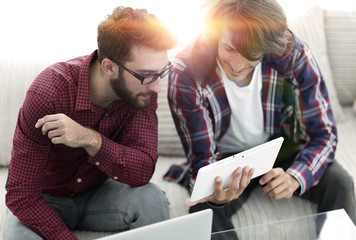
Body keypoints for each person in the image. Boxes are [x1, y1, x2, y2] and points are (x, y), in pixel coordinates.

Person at [164, 0, 356, 239]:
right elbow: (202, 158)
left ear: (266, 48)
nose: (236, 66)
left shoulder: (294, 55)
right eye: (229, 49)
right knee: (203, 210)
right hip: (224, 162)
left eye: (250, 55)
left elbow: (323, 133)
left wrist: (296, 176)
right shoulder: (186, 74)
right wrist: (215, 196)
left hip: (282, 149)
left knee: (340, 182)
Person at [4, 6, 177, 240]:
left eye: (161, 73)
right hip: (46, 200)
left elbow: (142, 171)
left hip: (101, 195)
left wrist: (91, 140)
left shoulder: (142, 92)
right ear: (109, 67)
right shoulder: (49, 93)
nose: (156, 86)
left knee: (151, 198)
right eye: (147, 75)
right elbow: (22, 194)